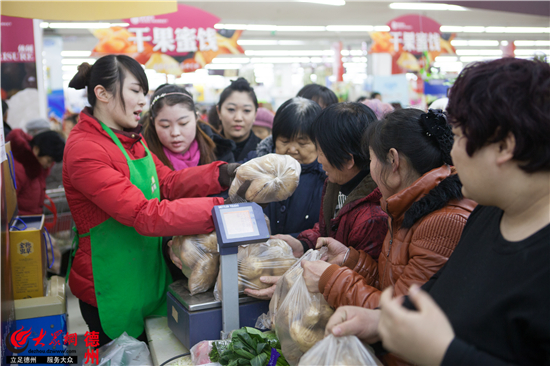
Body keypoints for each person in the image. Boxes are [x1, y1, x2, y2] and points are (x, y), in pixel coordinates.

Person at [324, 58, 550, 365]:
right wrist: (379, 322)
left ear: (504, 146)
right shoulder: (488, 214)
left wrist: (443, 353)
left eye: (459, 136)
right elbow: (440, 295)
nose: (452, 152)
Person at [64, 55, 240, 347]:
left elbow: (167, 183)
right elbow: (146, 214)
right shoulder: (85, 148)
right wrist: (222, 210)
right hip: (110, 288)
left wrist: (223, 175)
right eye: (135, 90)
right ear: (102, 93)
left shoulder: (131, 140)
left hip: (146, 277)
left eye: (143, 92)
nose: (142, 101)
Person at [302, 108, 476, 365]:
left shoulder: (441, 222)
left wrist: (331, 279)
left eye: (371, 159)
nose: (369, 168)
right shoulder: (406, 207)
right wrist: (350, 259)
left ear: (394, 162)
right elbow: (392, 285)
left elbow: (400, 315)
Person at [277, 102, 388, 260]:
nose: (319, 159)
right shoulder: (336, 183)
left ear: (348, 160)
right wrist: (303, 244)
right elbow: (328, 230)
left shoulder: (373, 217)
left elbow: (361, 277)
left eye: (322, 152)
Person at [142, 84, 232, 169]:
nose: (175, 133)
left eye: (183, 123)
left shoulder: (220, 150)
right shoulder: (142, 157)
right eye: (165, 126)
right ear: (153, 122)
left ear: (196, 117)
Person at [6, 129, 64, 215]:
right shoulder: (19, 169)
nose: (49, 165)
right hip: (19, 225)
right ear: (36, 149)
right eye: (48, 160)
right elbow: (7, 206)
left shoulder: (36, 168)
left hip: (28, 223)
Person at [216, 77, 260, 162]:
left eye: (246, 110)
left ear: (255, 114)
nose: (238, 118)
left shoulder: (266, 153)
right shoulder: (205, 150)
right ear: (219, 111)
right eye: (231, 109)